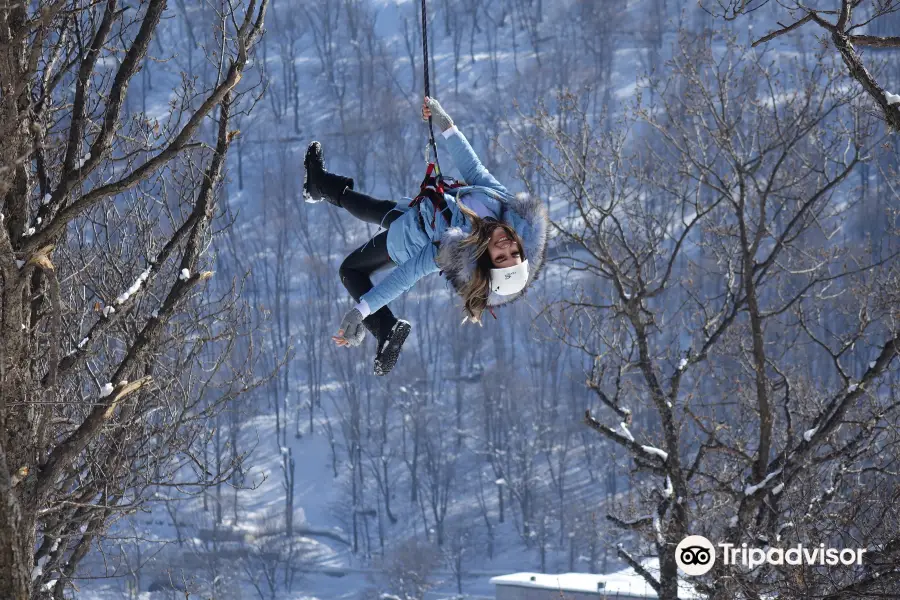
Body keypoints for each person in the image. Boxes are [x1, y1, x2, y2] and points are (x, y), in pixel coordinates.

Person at [303, 97, 548, 376]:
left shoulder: (451, 249)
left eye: (501, 257)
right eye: (514, 254)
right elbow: (475, 171)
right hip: (420, 209)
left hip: (406, 239)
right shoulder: (504, 208)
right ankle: (318, 184)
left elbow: (406, 276)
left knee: (350, 269)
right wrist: (447, 125)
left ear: (485, 259)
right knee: (377, 209)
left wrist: (361, 312)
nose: (507, 247)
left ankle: (385, 328)